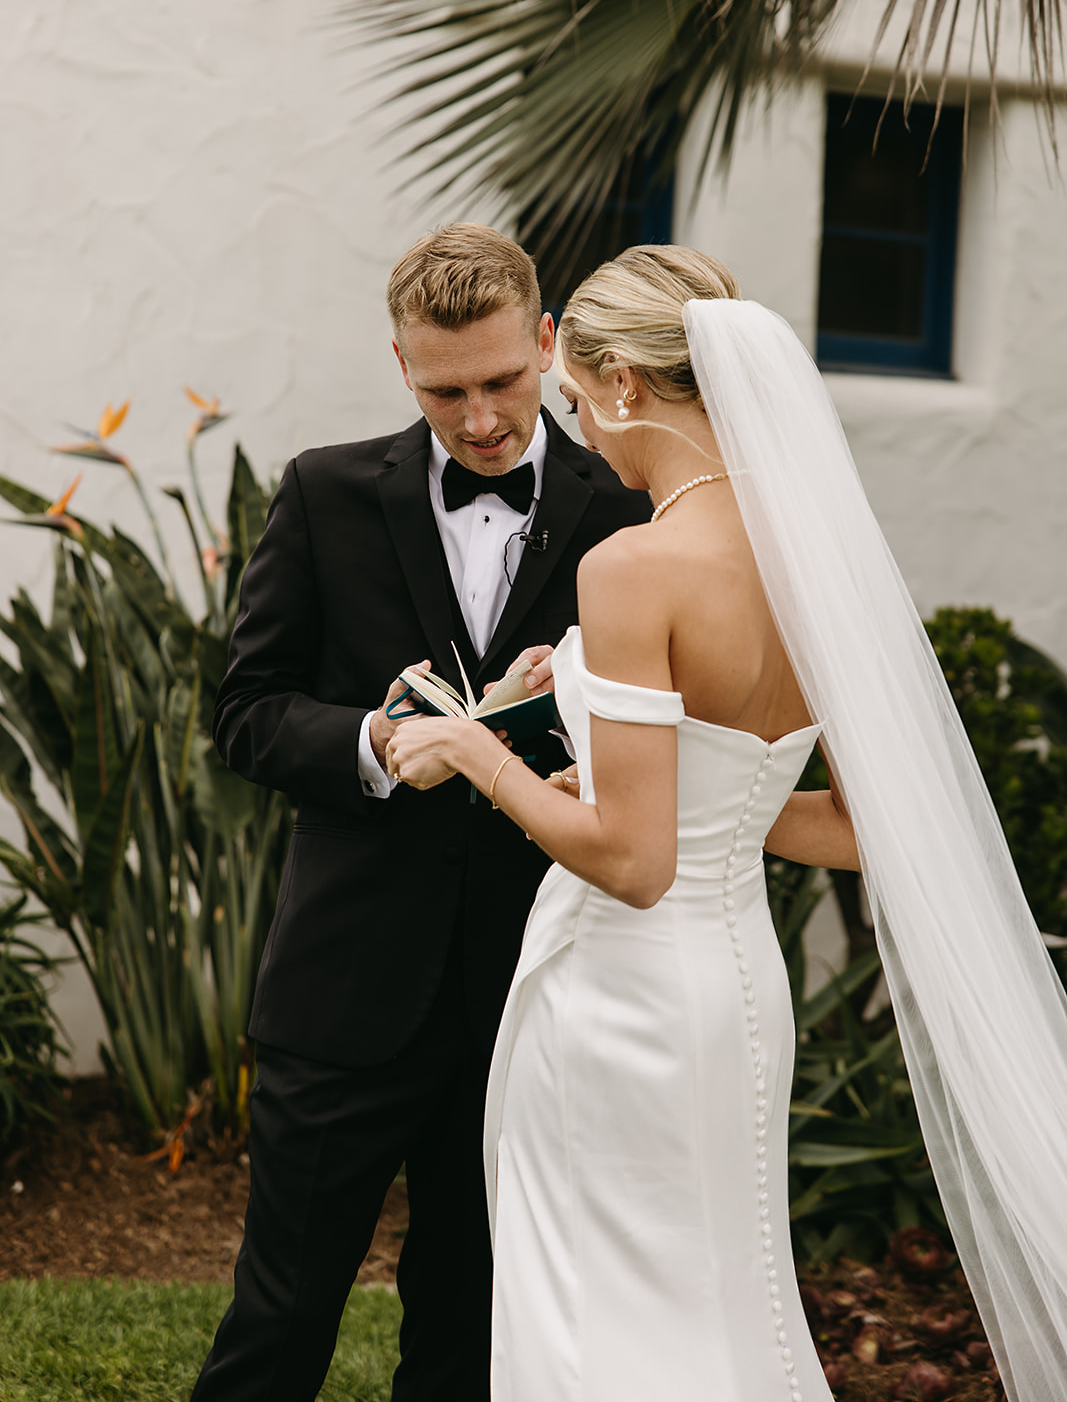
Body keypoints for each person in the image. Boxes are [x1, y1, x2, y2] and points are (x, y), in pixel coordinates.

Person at [385, 245, 1067, 1402]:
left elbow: (633, 862)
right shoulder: (823, 563)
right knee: (716, 1293)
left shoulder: (632, 565)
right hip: (740, 988)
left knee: (597, 1315)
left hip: (620, 994)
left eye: (569, 394)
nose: (575, 426)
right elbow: (852, 824)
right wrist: (632, 739)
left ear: (622, 384)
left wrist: (473, 750)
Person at [190, 223, 648, 1402]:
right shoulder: (324, 492)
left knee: (474, 1317)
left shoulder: (626, 512)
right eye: (446, 390)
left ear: (546, 345)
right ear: (401, 365)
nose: (481, 416)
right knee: (281, 1308)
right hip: (345, 986)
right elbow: (244, 710)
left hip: (532, 991)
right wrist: (377, 742)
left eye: (501, 380)